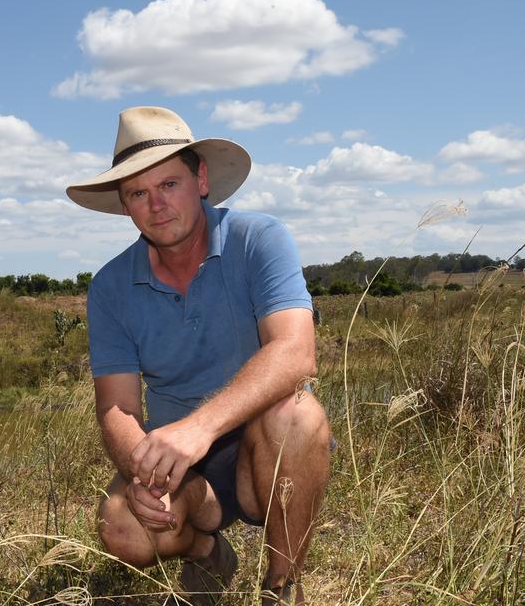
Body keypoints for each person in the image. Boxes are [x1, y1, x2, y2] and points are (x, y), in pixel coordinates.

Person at [66, 106, 331, 605]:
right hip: (180, 469)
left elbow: (296, 353)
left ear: (201, 179)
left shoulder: (259, 239)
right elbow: (116, 408)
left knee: (297, 414)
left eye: (169, 184)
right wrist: (142, 471)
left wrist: (199, 429)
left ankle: (282, 584)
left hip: (264, 451)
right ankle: (206, 549)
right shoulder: (110, 287)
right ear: (125, 206)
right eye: (138, 193)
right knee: (123, 530)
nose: (156, 205)